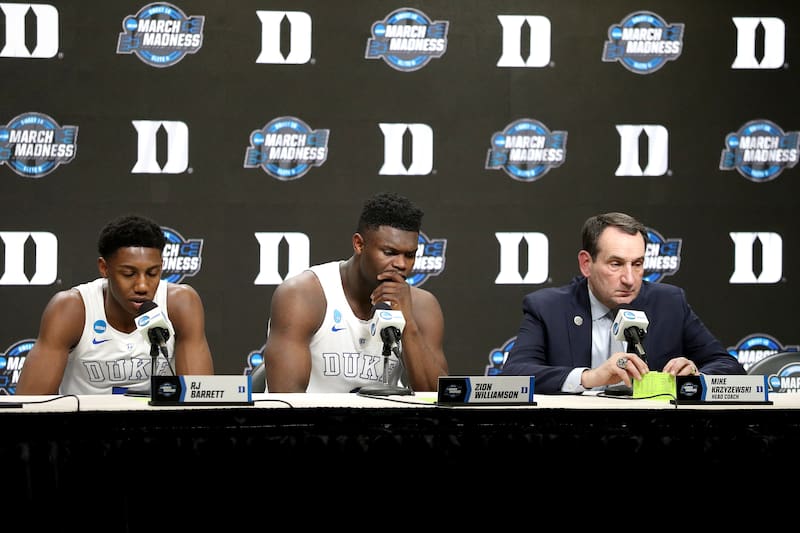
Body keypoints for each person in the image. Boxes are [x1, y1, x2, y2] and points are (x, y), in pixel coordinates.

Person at [501, 211, 745, 394]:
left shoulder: (669, 303)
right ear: (586, 264)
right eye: (616, 264)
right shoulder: (548, 307)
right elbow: (513, 375)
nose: (629, 279)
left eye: (637, 264)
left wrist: (695, 376)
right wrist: (590, 377)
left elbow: (728, 367)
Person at [263, 191, 448, 393]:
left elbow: (437, 399)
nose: (401, 264)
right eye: (389, 253)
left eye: (409, 255)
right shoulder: (304, 295)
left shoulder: (422, 306)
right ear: (359, 244)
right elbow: (286, 402)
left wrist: (408, 323)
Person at [16, 214, 214, 395]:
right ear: (104, 268)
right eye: (129, 274)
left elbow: (200, 397)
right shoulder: (72, 309)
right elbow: (31, 404)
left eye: (152, 273)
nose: (142, 286)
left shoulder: (180, 304)